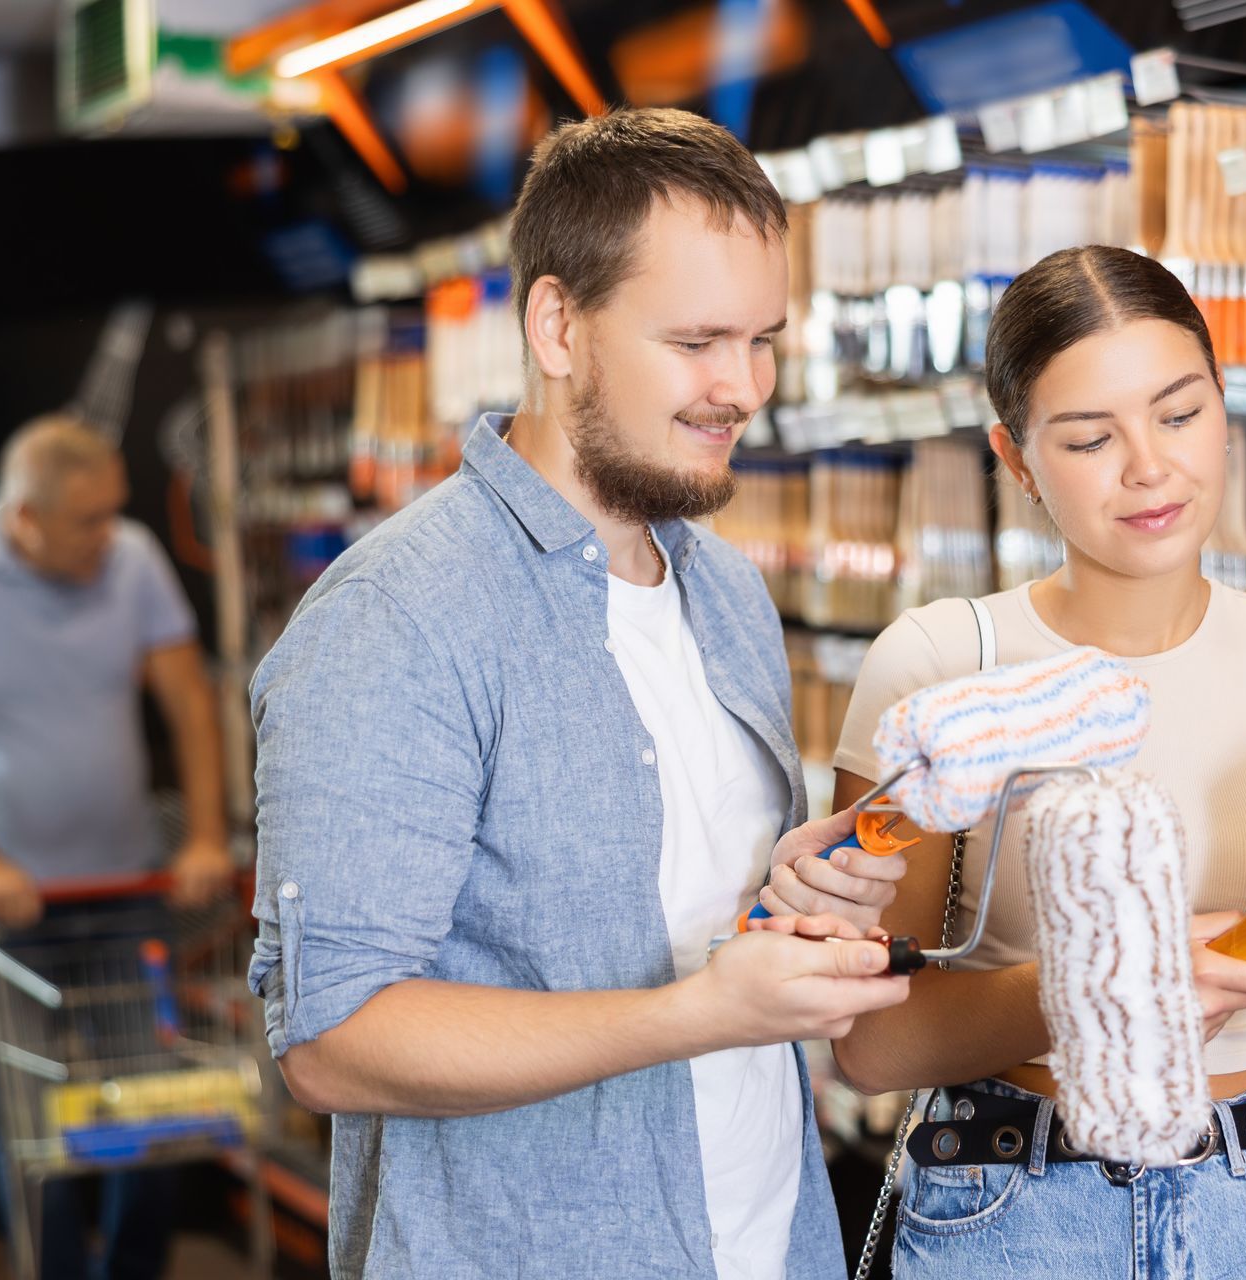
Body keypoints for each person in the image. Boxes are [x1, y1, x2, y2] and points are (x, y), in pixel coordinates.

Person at [757, 245, 1246, 1279]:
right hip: (1015, 1205)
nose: (1149, 466)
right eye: (1091, 437)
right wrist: (1108, 981)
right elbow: (872, 1047)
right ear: (1016, 458)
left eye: (1180, 414)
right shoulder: (945, 660)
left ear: (1223, 405)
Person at [245, 106, 907, 1280]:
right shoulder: (398, 619)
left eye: (764, 338)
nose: (743, 386)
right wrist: (697, 1010)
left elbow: (677, 903)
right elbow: (334, 1040)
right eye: (698, 339)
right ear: (558, 324)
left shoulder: (730, 595)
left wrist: (796, 891)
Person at [0, 415, 232, 1280]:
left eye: (115, 512)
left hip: (122, 889)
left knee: (149, 1111)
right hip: (8, 910)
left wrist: (209, 834)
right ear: (25, 518)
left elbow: (188, 700)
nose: (110, 534)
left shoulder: (134, 558)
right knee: (32, 1128)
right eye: (88, 521)